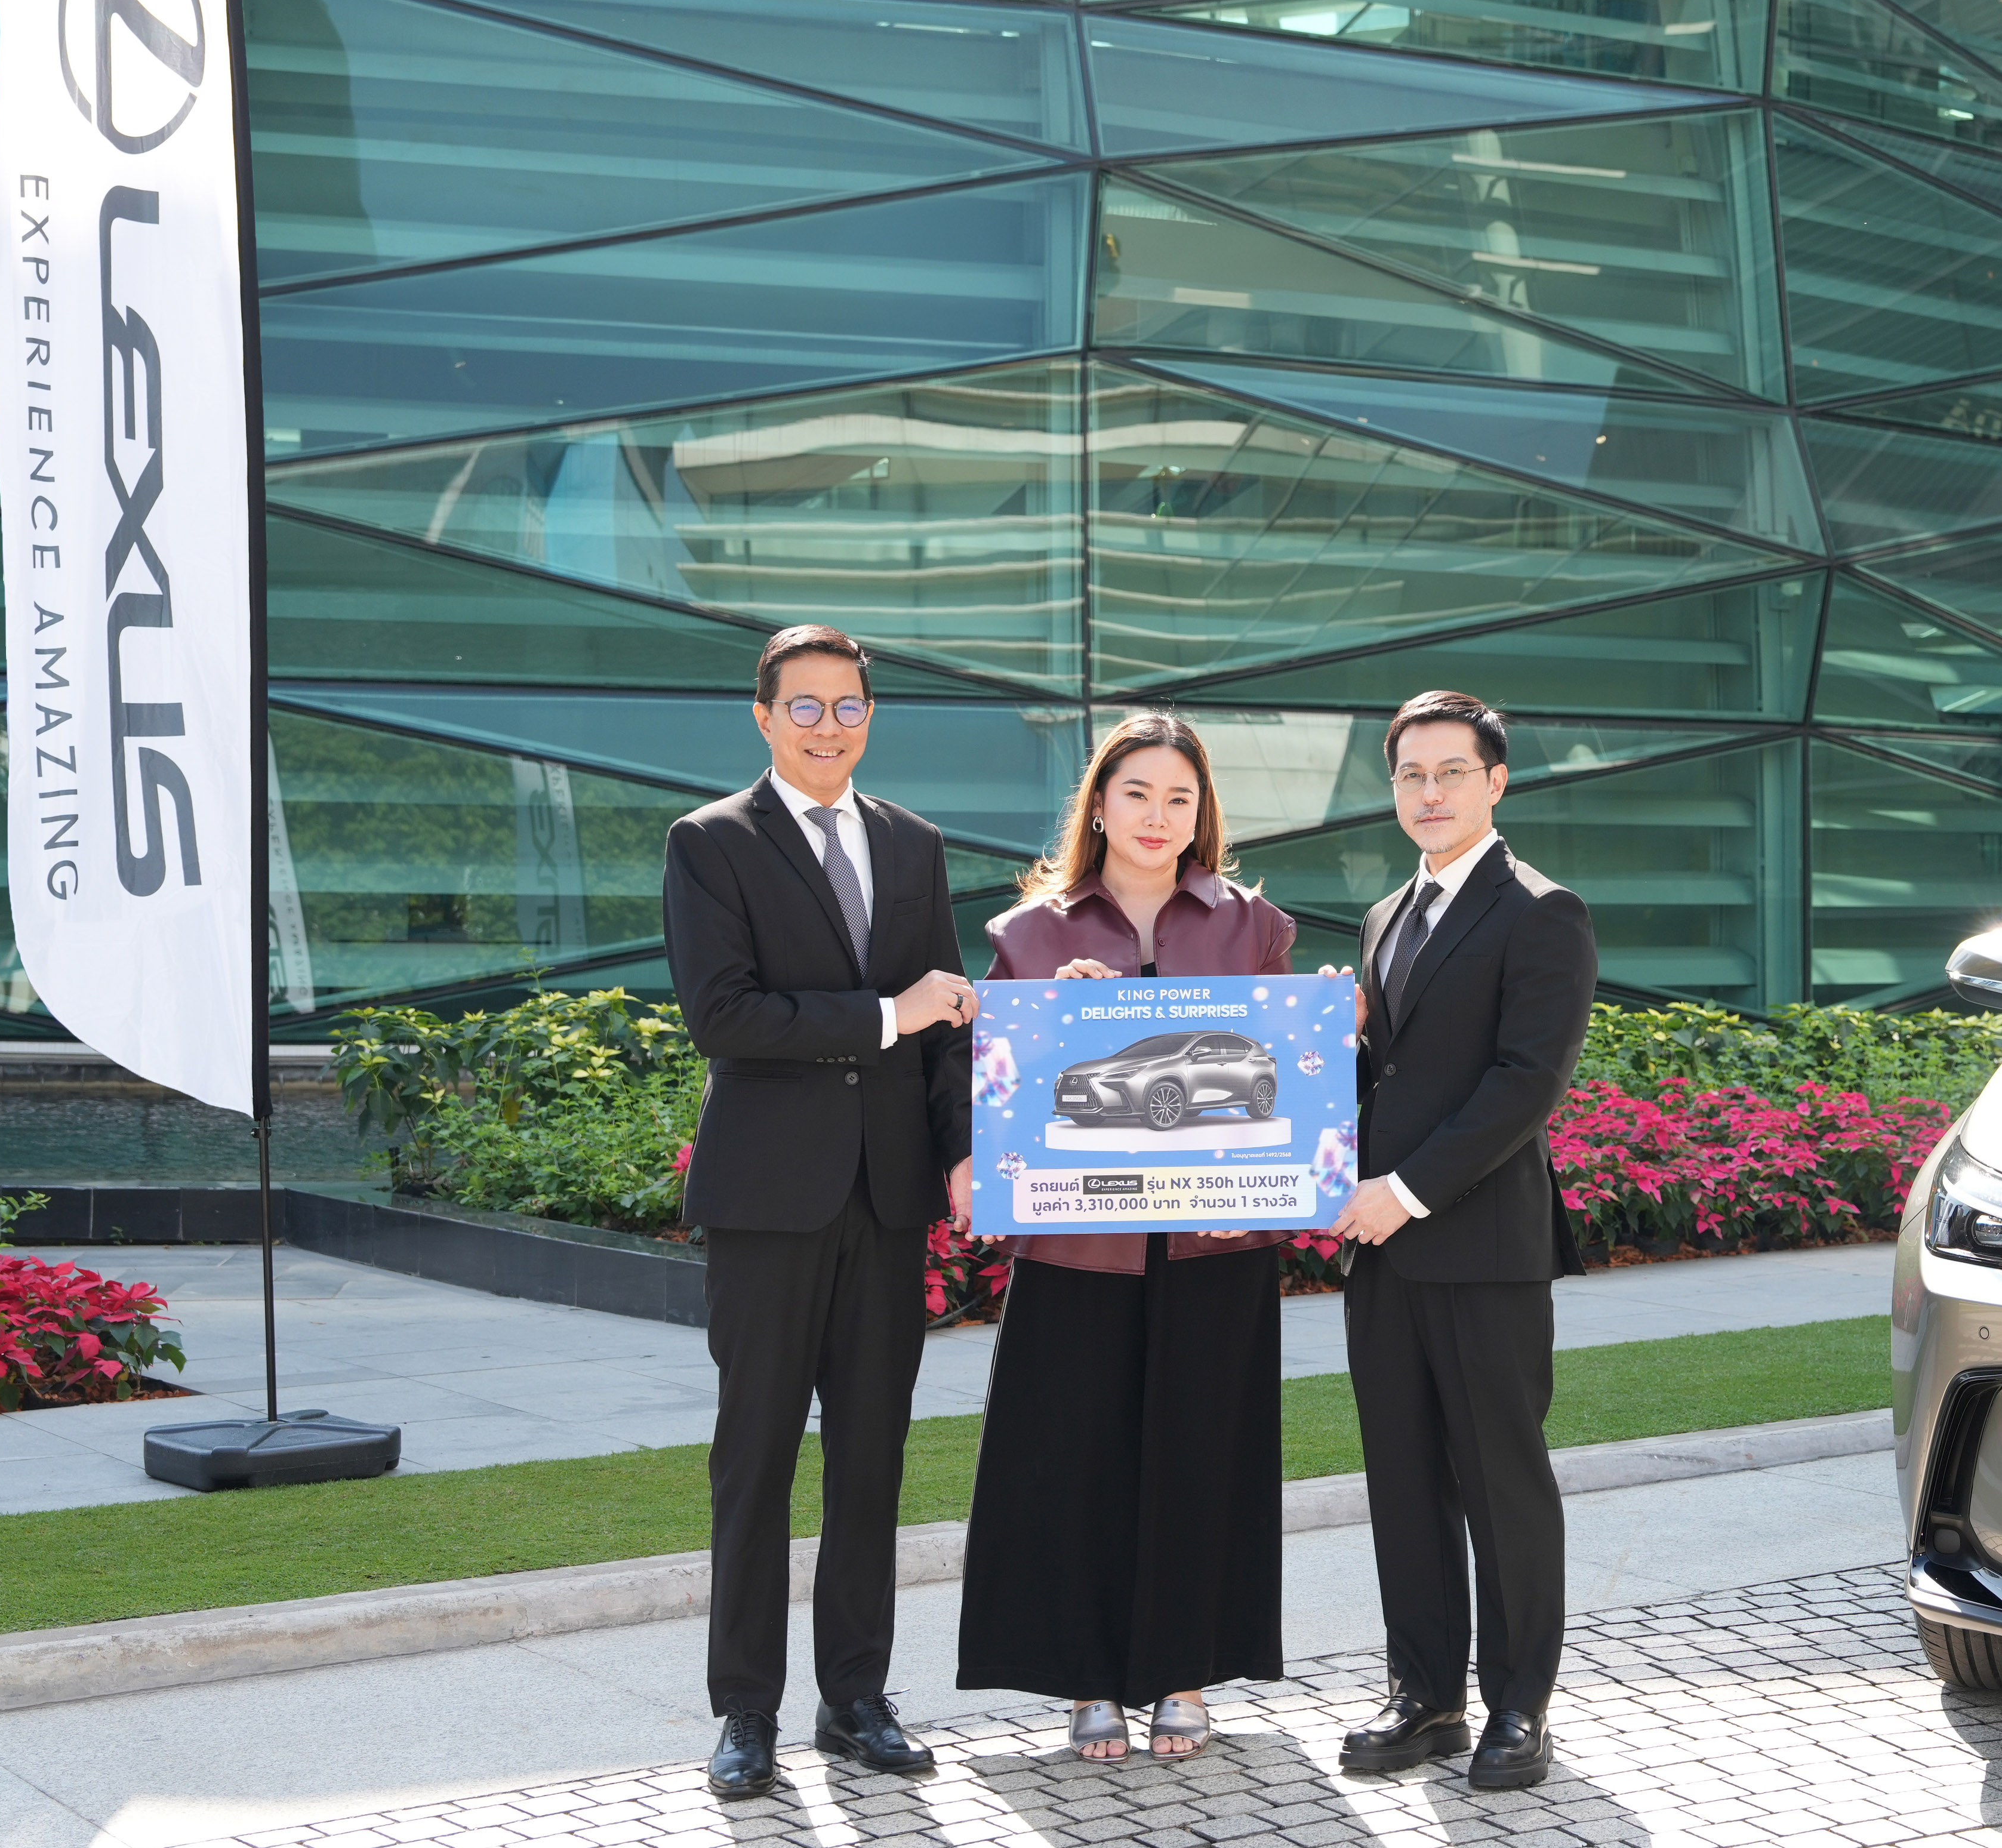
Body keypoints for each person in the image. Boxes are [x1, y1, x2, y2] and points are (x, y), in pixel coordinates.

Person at [662, 624, 984, 1800]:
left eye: (848, 705)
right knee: (753, 1460)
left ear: (869, 715)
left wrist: (961, 1151)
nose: (828, 725)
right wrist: (888, 1015)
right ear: (764, 716)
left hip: (887, 1200)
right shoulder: (710, 842)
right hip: (768, 1202)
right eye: (804, 706)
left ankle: (855, 1697)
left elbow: (947, 1021)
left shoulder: (913, 842)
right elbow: (724, 1015)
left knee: (871, 1460)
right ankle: (745, 1709)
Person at [956, 714, 1301, 1764]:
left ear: (1202, 814)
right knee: (1074, 1461)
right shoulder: (1028, 935)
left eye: (1178, 797)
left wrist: (1341, 1026)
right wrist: (1048, 1023)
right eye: (1137, 792)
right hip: (1078, 1248)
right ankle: (1088, 1681)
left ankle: (1184, 1673)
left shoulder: (1255, 925)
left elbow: (1293, 1077)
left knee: (1203, 1456)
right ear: (1099, 804)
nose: (1157, 815)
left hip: (1216, 1246)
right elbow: (994, 1088)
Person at [1329, 691, 1597, 1793]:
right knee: (1402, 1480)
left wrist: (1404, 1191)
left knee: (1501, 1483)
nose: (1428, 791)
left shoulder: (1542, 909)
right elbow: (1390, 1077)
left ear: (1495, 782)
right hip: (1382, 1252)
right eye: (1410, 774)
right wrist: (1329, 1043)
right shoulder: (1384, 915)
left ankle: (1519, 1705)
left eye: (1451, 772)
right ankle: (1425, 1693)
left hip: (1481, 1249)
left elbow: (1524, 1083)